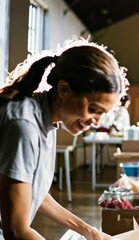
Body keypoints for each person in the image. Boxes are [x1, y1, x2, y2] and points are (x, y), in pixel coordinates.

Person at [0, 39, 127, 239]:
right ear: (64, 90)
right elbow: (16, 230)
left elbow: (32, 192)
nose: (96, 121)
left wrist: (91, 232)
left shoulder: (45, 118)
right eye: (93, 109)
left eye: (103, 114)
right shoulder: (24, 125)